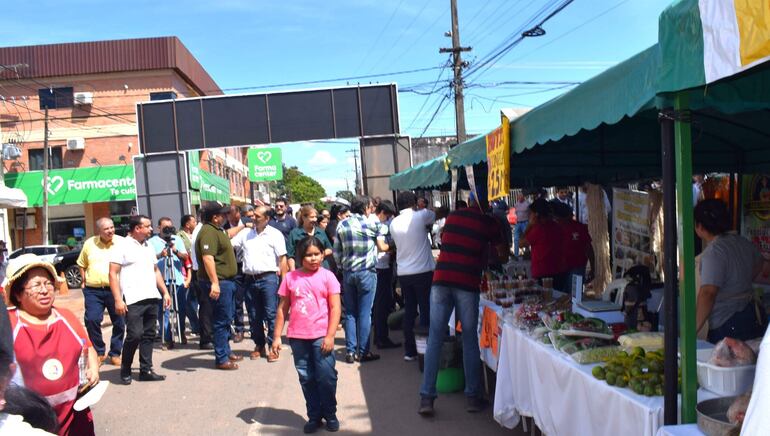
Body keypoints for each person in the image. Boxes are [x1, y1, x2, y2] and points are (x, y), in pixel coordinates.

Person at [419, 193, 507, 417]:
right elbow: (503, 254)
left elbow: (448, 241)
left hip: (441, 281)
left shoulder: (453, 217)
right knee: (469, 338)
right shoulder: (489, 222)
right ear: (486, 203)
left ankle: (426, 398)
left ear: (468, 202)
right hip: (466, 284)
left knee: (435, 338)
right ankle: (472, 397)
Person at [6, 254, 99, 435]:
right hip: (30, 422)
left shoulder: (66, 316)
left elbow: (88, 348)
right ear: (17, 293)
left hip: (75, 416)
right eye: (36, 285)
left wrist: (93, 368)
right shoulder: (8, 324)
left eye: (48, 283)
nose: (44, 290)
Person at [272, 237, 341, 434]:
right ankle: (314, 416)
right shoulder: (291, 278)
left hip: (321, 336)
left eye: (316, 254)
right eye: (308, 255)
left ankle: (330, 414)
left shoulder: (328, 277)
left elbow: (335, 308)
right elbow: (282, 309)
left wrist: (330, 336)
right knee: (307, 378)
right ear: (300, 257)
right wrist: (277, 337)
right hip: (298, 337)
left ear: (322, 254)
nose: (313, 259)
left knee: (326, 376)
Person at [694, 199, 767, 343]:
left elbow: (708, 293)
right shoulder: (743, 242)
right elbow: (760, 269)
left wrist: (692, 329)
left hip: (727, 323)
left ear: (700, 226)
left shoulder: (714, 252)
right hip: (749, 315)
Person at [110, 215, 171, 385]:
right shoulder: (122, 245)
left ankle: (146, 370)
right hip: (133, 298)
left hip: (151, 296)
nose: (151, 229)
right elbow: (112, 273)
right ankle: (126, 368)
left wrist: (165, 292)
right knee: (134, 335)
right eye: (148, 226)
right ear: (137, 228)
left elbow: (155, 270)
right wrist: (117, 299)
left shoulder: (148, 246)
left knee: (149, 335)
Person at [333, 196, 389, 364]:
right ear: (365, 208)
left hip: (349, 273)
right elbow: (382, 240)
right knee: (365, 313)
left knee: (350, 313)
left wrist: (342, 267)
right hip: (366, 272)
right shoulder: (372, 225)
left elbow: (337, 252)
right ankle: (364, 352)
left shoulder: (342, 224)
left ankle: (350, 351)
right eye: (370, 207)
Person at [231, 205, 287, 362]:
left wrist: (284, 282)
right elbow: (229, 241)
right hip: (249, 279)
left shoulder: (275, 235)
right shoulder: (246, 233)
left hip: (268, 279)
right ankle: (259, 345)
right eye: (252, 216)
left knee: (271, 314)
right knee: (254, 315)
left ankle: (272, 346)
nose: (253, 218)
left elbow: (282, 259)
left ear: (267, 219)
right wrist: (241, 225)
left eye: (257, 216)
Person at [196, 202, 243, 370]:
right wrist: (215, 282)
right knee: (221, 321)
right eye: (223, 215)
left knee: (226, 318)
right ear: (215, 217)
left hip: (226, 282)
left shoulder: (217, 230)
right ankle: (221, 358)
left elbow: (228, 234)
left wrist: (243, 226)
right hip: (219, 282)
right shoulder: (208, 232)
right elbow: (208, 258)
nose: (226, 217)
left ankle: (226, 351)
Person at [389, 192, 435, 360]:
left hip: (404, 273)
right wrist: (422, 206)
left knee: (409, 310)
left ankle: (410, 351)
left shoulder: (393, 223)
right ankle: (427, 349)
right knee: (425, 309)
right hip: (422, 272)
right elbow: (435, 214)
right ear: (414, 203)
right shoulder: (421, 216)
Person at [76, 218, 125, 366]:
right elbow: (81, 263)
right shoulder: (89, 243)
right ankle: (99, 351)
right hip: (93, 290)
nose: (111, 231)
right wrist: (83, 280)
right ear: (99, 231)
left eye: (112, 227)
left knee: (119, 322)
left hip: (115, 289)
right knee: (92, 320)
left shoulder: (121, 243)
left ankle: (115, 353)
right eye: (107, 229)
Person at [147, 217, 188, 348]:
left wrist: (174, 249)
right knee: (163, 310)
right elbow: (149, 260)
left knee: (180, 309)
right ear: (159, 228)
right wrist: (160, 255)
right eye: (165, 227)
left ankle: (181, 332)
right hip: (162, 281)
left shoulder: (177, 239)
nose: (168, 230)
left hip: (177, 280)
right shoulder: (151, 242)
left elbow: (185, 257)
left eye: (170, 227)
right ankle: (167, 337)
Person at [372, 201, 399, 350]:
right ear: (381, 212)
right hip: (381, 267)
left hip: (378, 267)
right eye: (387, 216)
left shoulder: (371, 221)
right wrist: (395, 246)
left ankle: (379, 337)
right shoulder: (379, 225)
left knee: (380, 304)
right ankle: (382, 338)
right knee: (382, 304)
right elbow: (382, 247)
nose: (388, 219)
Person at [520, 199, 565, 287]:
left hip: (542, 272)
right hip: (559, 270)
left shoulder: (538, 229)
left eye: (531, 213)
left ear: (536, 214)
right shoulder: (557, 227)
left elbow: (521, 243)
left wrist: (530, 225)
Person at [225, 205, 254, 344]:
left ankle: (255, 328)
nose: (230, 218)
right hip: (235, 266)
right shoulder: (225, 226)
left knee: (252, 299)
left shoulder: (250, 222)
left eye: (232, 214)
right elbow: (226, 237)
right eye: (227, 215)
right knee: (237, 300)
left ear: (238, 213)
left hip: (250, 266)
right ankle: (239, 329)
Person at [188, 213, 214, 350]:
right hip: (202, 273)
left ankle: (209, 335)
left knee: (208, 307)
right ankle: (206, 338)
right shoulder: (202, 231)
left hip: (202, 272)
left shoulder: (201, 230)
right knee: (206, 307)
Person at [553, 202, 595, 284]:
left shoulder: (580, 227)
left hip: (577, 267)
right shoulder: (554, 228)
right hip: (559, 268)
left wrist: (593, 268)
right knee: (561, 294)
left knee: (576, 295)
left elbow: (589, 248)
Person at [287, 206, 333, 271]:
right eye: (312, 217)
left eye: (315, 217)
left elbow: (329, 249)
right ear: (303, 218)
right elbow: (290, 255)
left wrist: (320, 255)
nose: (315, 219)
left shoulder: (321, 232)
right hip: (302, 271)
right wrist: (293, 272)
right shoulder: (294, 233)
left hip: (321, 269)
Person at [177, 214, 200, 337]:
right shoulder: (179, 236)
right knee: (188, 302)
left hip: (197, 271)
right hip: (186, 272)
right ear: (187, 224)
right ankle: (196, 325)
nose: (195, 223)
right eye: (193, 221)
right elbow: (184, 254)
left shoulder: (197, 234)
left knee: (196, 299)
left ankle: (197, 325)